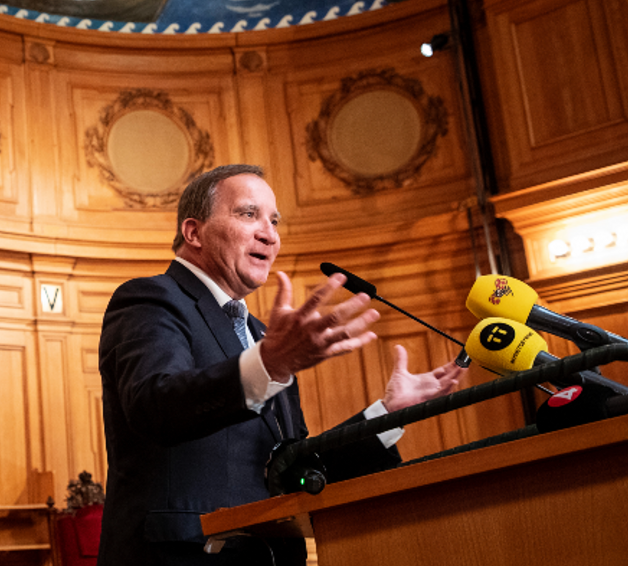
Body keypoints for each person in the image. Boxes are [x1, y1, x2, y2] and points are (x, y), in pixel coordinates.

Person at [97, 164, 465, 565]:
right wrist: (269, 364)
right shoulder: (150, 299)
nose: (269, 234)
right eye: (248, 214)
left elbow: (294, 467)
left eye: (274, 221)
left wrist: (387, 416)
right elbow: (155, 406)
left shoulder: (264, 336)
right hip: (181, 555)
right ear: (194, 232)